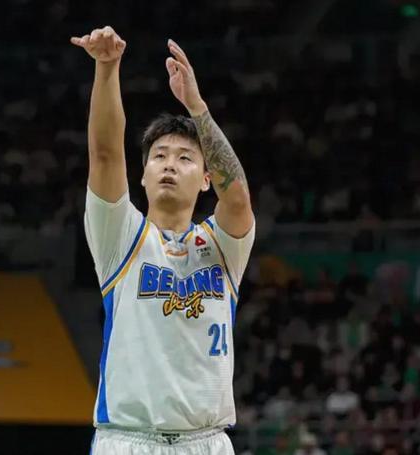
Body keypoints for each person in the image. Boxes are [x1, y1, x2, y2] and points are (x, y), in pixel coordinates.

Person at [71, 26, 255, 454]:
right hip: (128, 440)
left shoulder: (223, 246)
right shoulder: (121, 237)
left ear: (207, 179)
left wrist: (196, 107)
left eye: (185, 158)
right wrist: (107, 68)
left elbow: (238, 196)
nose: (169, 164)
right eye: (159, 156)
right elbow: (104, 154)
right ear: (143, 175)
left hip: (206, 442)